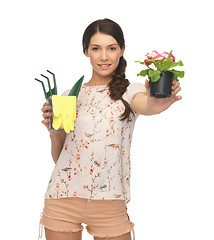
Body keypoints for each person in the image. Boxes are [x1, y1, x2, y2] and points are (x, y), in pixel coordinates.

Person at [39, 18, 182, 240]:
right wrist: (53, 130)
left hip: (110, 203)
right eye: (96, 49)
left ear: (122, 51)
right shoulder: (69, 96)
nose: (104, 57)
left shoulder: (129, 92)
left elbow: (148, 105)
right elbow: (61, 158)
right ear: (86, 52)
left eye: (111, 48)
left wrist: (158, 102)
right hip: (62, 198)